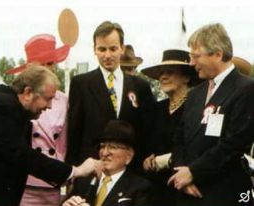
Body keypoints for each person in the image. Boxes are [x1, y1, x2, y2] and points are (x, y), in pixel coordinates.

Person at [0, 65, 102, 206]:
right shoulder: (2, 108)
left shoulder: (6, 102)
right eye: (48, 98)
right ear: (28, 92)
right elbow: (21, 155)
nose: (49, 106)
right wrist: (75, 171)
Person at [168, 23, 254, 206]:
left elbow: (235, 143)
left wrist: (193, 172)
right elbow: (179, 139)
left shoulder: (245, 89)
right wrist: (181, 174)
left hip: (224, 194)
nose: (191, 63)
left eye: (196, 56)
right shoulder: (195, 94)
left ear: (217, 54)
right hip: (187, 194)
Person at [66, 21, 155, 171]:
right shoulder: (81, 84)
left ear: (122, 48)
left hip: (131, 173)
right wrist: (73, 170)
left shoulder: (141, 86)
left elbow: (147, 131)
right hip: (93, 170)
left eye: (113, 49)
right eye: (102, 49)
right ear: (94, 49)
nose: (107, 55)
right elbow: (74, 132)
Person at [6, 33, 70, 206]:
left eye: (52, 63)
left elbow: (63, 143)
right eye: (44, 64)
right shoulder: (20, 100)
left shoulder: (63, 100)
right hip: (27, 181)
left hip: (52, 181)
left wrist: (64, 174)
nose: (50, 68)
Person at [141, 49, 201, 205]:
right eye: (161, 73)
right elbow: (148, 144)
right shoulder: (156, 109)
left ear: (186, 77)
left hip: (184, 186)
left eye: (170, 72)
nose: (163, 77)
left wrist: (168, 160)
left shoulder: (197, 108)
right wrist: (148, 157)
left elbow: (198, 149)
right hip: (156, 189)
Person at [63, 120, 153, 206]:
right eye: (102, 146)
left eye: (113, 147)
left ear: (129, 156)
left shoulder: (139, 187)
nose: (105, 153)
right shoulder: (83, 182)